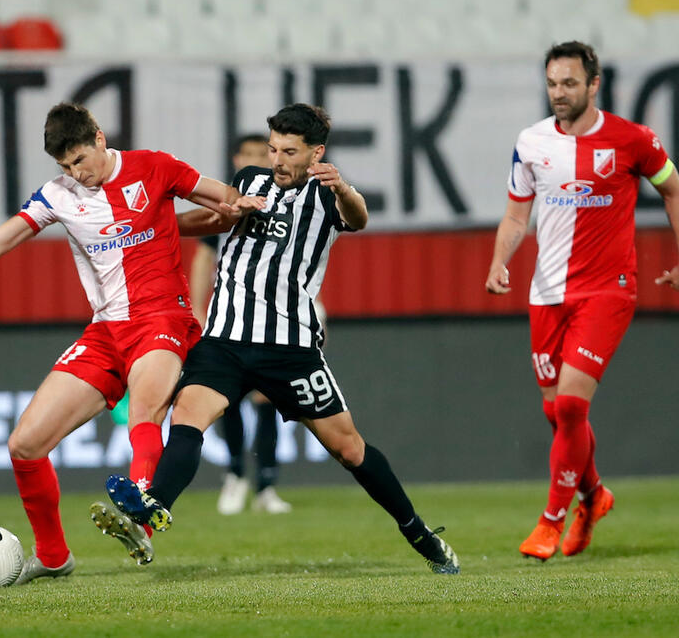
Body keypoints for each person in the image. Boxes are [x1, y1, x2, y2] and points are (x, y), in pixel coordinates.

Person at [0, 102, 260, 580]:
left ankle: (140, 508)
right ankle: (55, 556)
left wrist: (238, 203)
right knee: (25, 444)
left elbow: (222, 198)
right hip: (105, 332)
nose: (76, 173)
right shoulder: (57, 196)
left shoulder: (154, 167)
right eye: (64, 166)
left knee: (145, 411)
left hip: (162, 318)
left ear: (100, 138)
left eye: (80, 160)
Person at [96, 103, 460, 575]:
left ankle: (418, 532)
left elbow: (360, 217)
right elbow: (205, 221)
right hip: (225, 339)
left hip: (290, 348)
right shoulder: (248, 180)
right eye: (273, 148)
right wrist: (149, 228)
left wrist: (344, 187)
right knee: (187, 418)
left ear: (316, 153)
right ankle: (150, 512)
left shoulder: (329, 194)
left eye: (289, 151)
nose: (278, 159)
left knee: (349, 449)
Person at [485, 41, 679, 560]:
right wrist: (499, 260)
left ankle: (551, 521)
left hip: (608, 289)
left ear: (594, 85)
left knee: (571, 404)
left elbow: (673, 188)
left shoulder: (632, 139)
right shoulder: (531, 142)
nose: (559, 93)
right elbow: (516, 216)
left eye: (570, 83)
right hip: (547, 293)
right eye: (552, 84)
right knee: (557, 415)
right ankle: (594, 497)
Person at [189, 133, 291, 515]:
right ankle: (235, 475)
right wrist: (198, 309)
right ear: (236, 159)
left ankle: (266, 485)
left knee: (268, 400)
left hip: (275, 318)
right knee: (227, 397)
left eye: (259, 154)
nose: (254, 160)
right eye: (247, 154)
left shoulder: (290, 203)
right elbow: (204, 258)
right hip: (230, 318)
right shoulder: (230, 205)